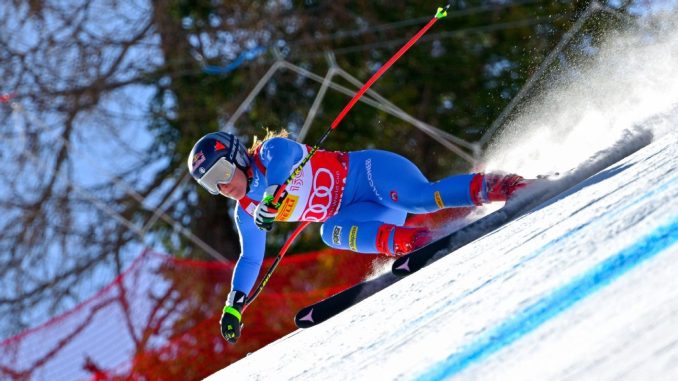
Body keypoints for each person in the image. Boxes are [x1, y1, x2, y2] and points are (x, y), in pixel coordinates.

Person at [187, 130, 528, 343]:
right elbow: (250, 258)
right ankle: (417, 243)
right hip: (360, 212)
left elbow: (286, 157)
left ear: (237, 156)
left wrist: (273, 192)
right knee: (330, 231)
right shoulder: (246, 212)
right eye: (210, 184)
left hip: (372, 174)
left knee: (419, 198)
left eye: (221, 172)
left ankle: (504, 185)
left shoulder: (270, 153)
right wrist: (235, 302)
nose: (223, 186)